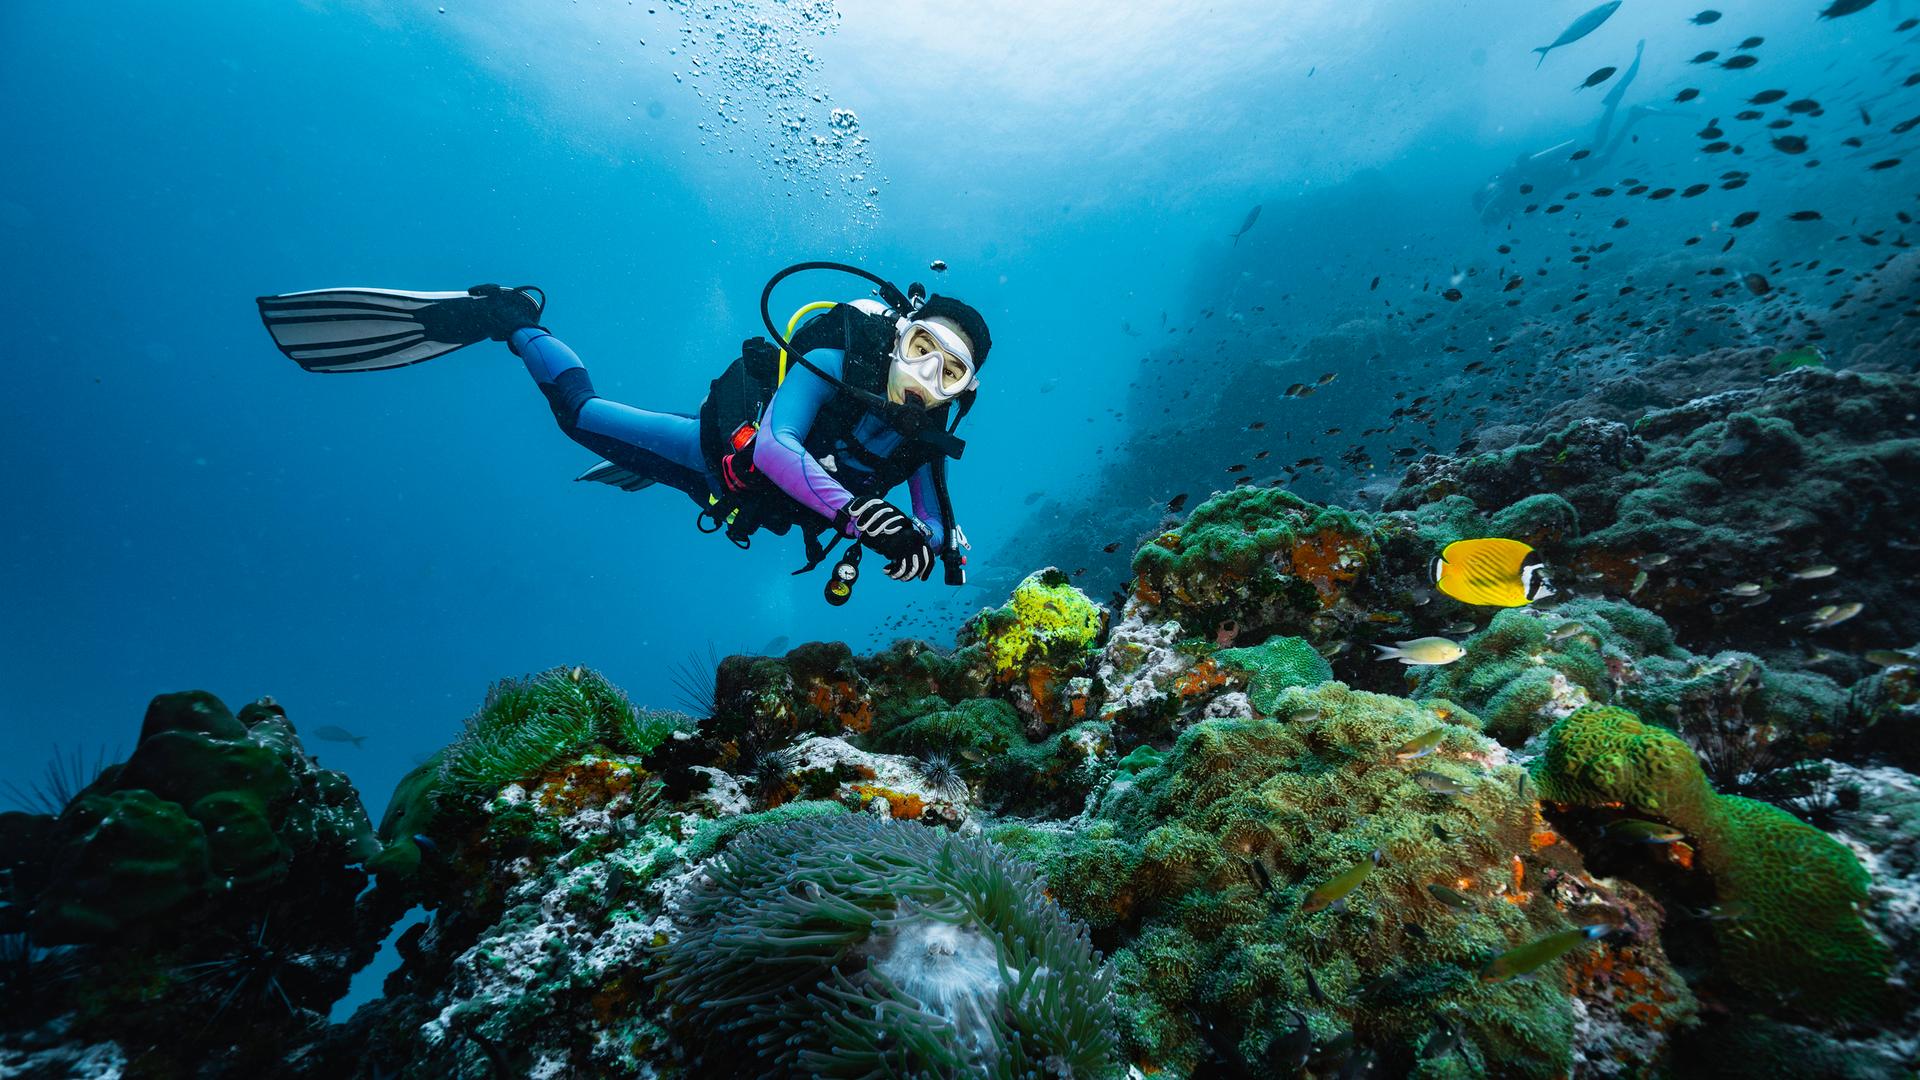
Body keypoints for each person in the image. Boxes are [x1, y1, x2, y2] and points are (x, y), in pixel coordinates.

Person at [256, 267, 991, 595]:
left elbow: (933, 523)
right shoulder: (837, 355)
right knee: (580, 416)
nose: (925, 378)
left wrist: (919, 543)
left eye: (949, 372)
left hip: (755, 503)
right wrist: (865, 518)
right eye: (921, 349)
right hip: (719, 456)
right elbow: (775, 447)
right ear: (899, 337)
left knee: (674, 471)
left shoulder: (928, 431)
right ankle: (510, 319)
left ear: (964, 390)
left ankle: (644, 462)